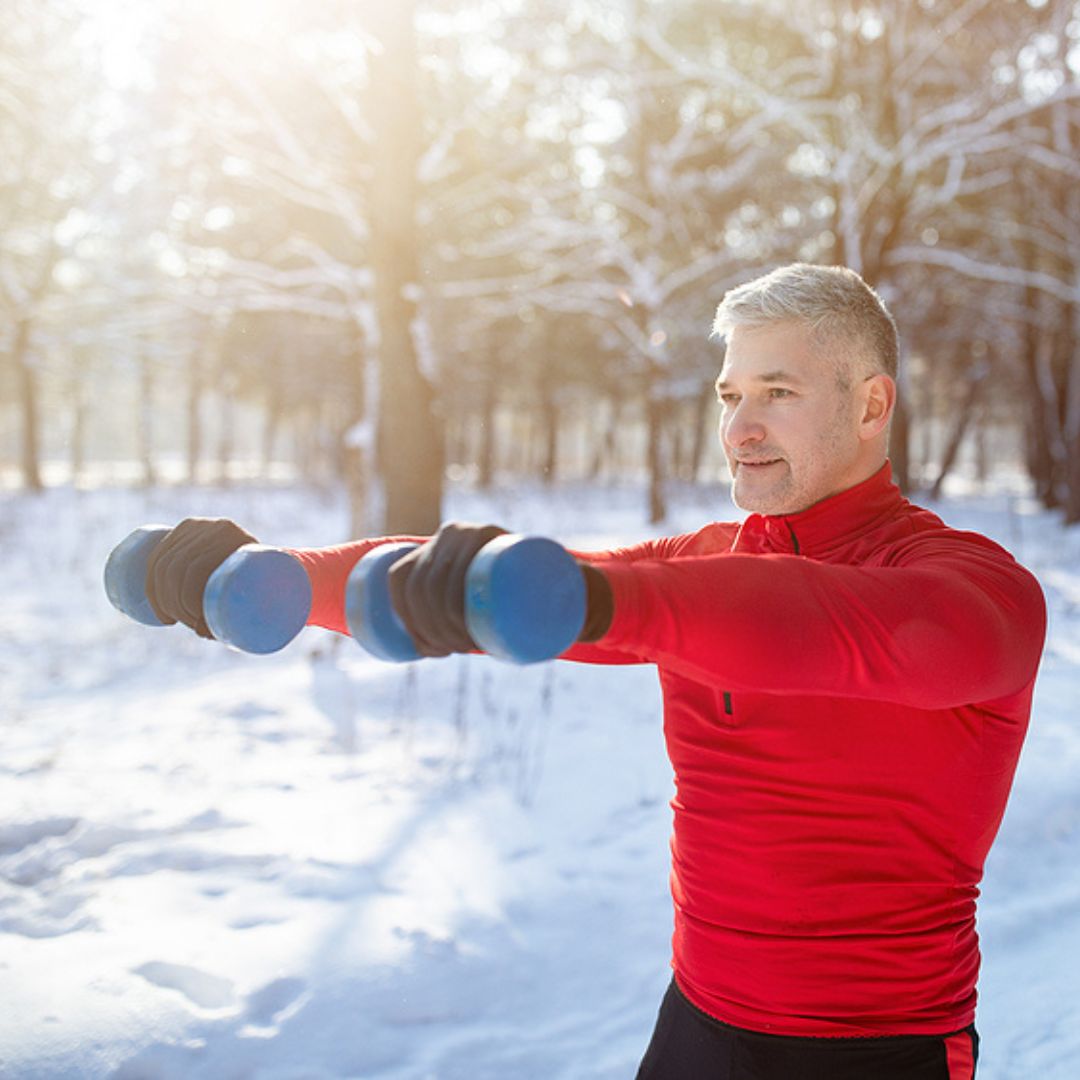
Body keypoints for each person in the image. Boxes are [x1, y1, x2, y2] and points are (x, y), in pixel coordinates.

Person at [145, 264, 1046, 1080]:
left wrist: (596, 599)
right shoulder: (695, 561)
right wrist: (287, 579)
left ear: (870, 406)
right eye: (730, 395)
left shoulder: (970, 588)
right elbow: (495, 578)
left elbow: (808, 621)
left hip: (878, 1050)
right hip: (696, 1028)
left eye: (778, 391)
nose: (740, 427)